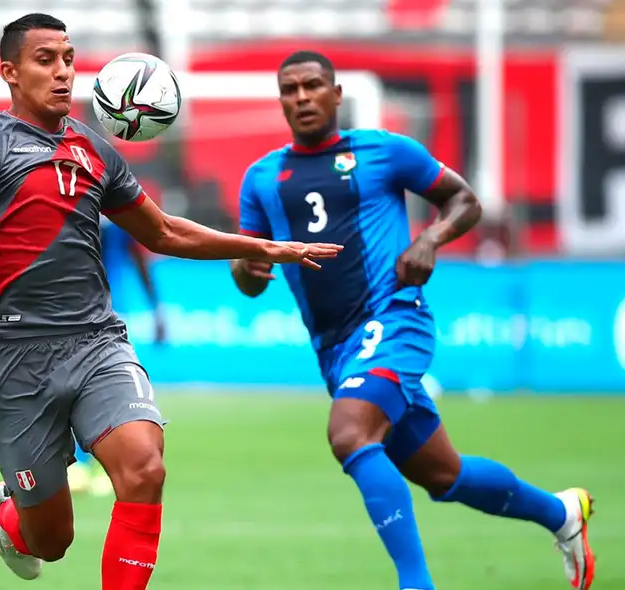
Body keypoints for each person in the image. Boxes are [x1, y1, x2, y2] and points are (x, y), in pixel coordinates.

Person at [0, 13, 343, 589]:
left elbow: (164, 233)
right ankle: (11, 512)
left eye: (68, 58)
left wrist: (262, 246)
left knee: (144, 468)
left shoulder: (95, 151)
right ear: (10, 73)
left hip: (95, 343)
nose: (62, 72)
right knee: (52, 541)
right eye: (45, 60)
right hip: (17, 358)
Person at [230, 50, 596, 590]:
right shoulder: (261, 179)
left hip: (394, 319)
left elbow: (465, 202)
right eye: (290, 89)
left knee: (349, 432)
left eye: (312, 86)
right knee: (444, 474)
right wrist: (249, 266)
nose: (301, 97)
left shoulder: (384, 151)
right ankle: (561, 514)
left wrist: (428, 240)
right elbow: (248, 275)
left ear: (336, 94)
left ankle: (415, 584)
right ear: (280, 99)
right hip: (336, 349)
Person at [68, 216, 165, 496]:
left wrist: (156, 307)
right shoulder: (73, 209)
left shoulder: (117, 214)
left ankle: (102, 467)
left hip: (113, 314)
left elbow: (139, 257)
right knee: (76, 389)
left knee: (113, 394)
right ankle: (80, 465)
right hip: (76, 314)